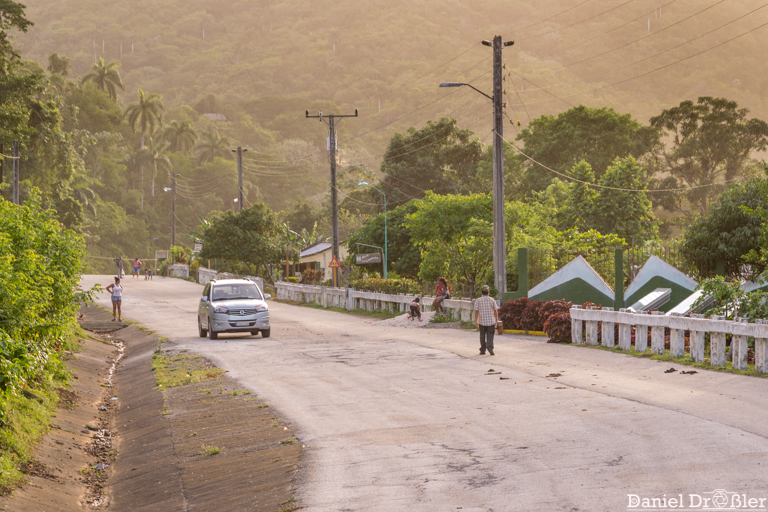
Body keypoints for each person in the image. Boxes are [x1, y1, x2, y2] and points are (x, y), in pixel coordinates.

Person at [473, 285, 499, 356]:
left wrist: (476, 321)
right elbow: (495, 311)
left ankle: (483, 350)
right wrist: (496, 320)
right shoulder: (492, 300)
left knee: (482, 336)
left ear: (482, 292)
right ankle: (490, 347)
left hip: (482, 321)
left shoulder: (478, 300)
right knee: (490, 335)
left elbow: (476, 311)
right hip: (491, 321)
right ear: (488, 292)